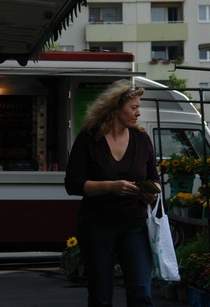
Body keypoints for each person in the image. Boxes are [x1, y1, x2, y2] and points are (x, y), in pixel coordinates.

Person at [65, 79, 160, 307]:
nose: (138, 112)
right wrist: (110, 186)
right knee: (101, 294)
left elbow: (154, 178)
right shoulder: (89, 138)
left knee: (141, 291)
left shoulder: (142, 139)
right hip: (97, 223)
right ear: (115, 108)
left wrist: (151, 193)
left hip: (134, 223)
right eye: (133, 107)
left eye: (139, 106)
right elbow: (73, 184)